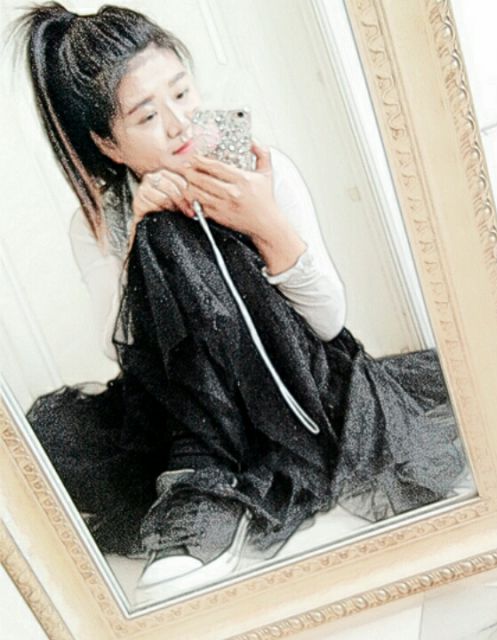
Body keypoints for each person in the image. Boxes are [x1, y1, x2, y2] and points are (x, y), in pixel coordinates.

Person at [12, 2, 468, 604]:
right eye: (147, 115)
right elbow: (119, 349)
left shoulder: (260, 172)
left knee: (173, 235)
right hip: (186, 406)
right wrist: (138, 236)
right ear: (108, 144)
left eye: (182, 93)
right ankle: (206, 479)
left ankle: (212, 479)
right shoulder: (98, 221)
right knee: (160, 239)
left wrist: (265, 222)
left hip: (293, 387)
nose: (179, 124)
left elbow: (328, 320)